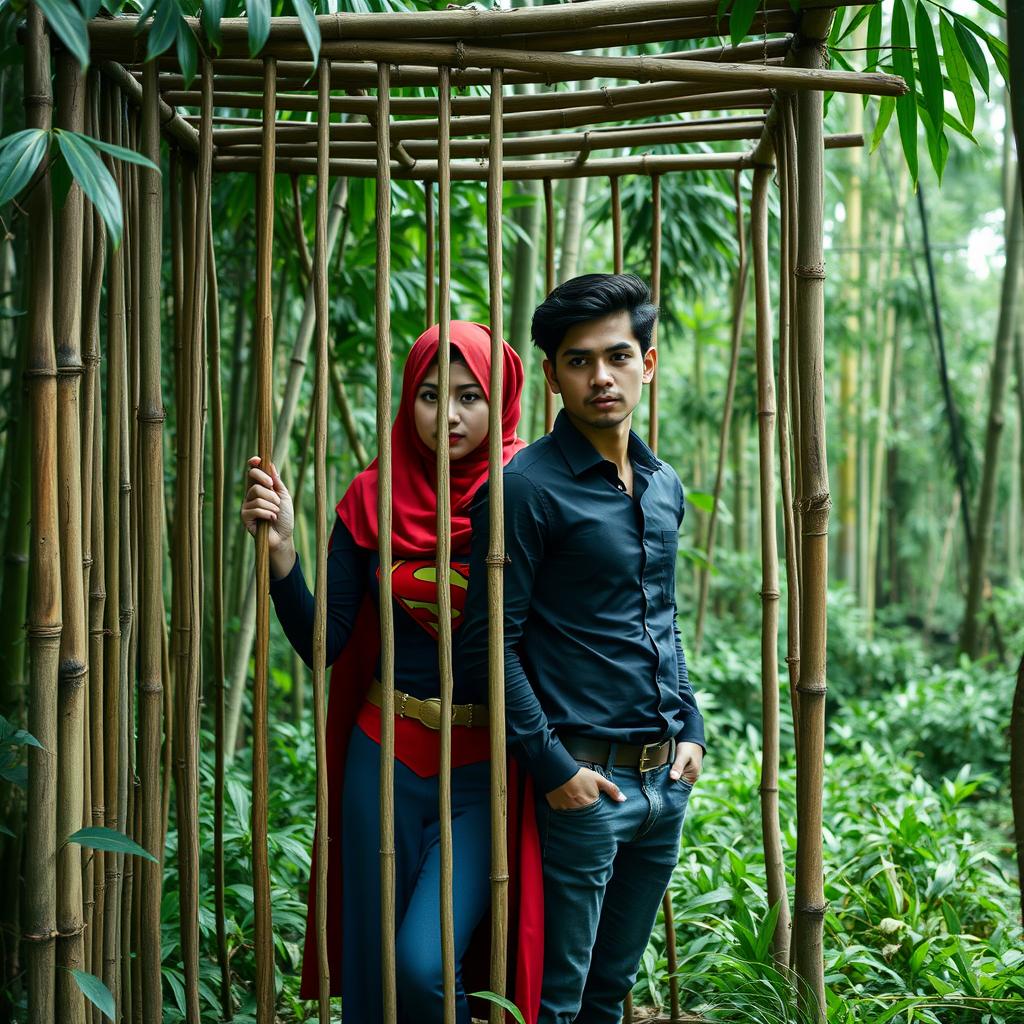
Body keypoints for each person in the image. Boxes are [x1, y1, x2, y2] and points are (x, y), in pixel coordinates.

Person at [240, 321, 528, 1024]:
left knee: (425, 965)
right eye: (431, 396)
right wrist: (282, 554)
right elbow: (324, 642)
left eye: (470, 396)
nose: (450, 415)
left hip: (483, 764)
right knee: (374, 969)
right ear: (408, 399)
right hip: (384, 754)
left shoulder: (529, 491)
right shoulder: (372, 495)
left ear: (502, 401)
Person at [460, 274, 706, 1024]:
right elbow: (486, 644)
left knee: (608, 993)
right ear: (550, 375)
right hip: (586, 785)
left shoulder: (662, 485)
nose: (601, 376)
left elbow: (658, 617)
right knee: (556, 1002)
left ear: (649, 363)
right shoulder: (524, 488)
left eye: (618, 355)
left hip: (666, 783)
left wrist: (690, 726)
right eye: (579, 360)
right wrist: (554, 767)